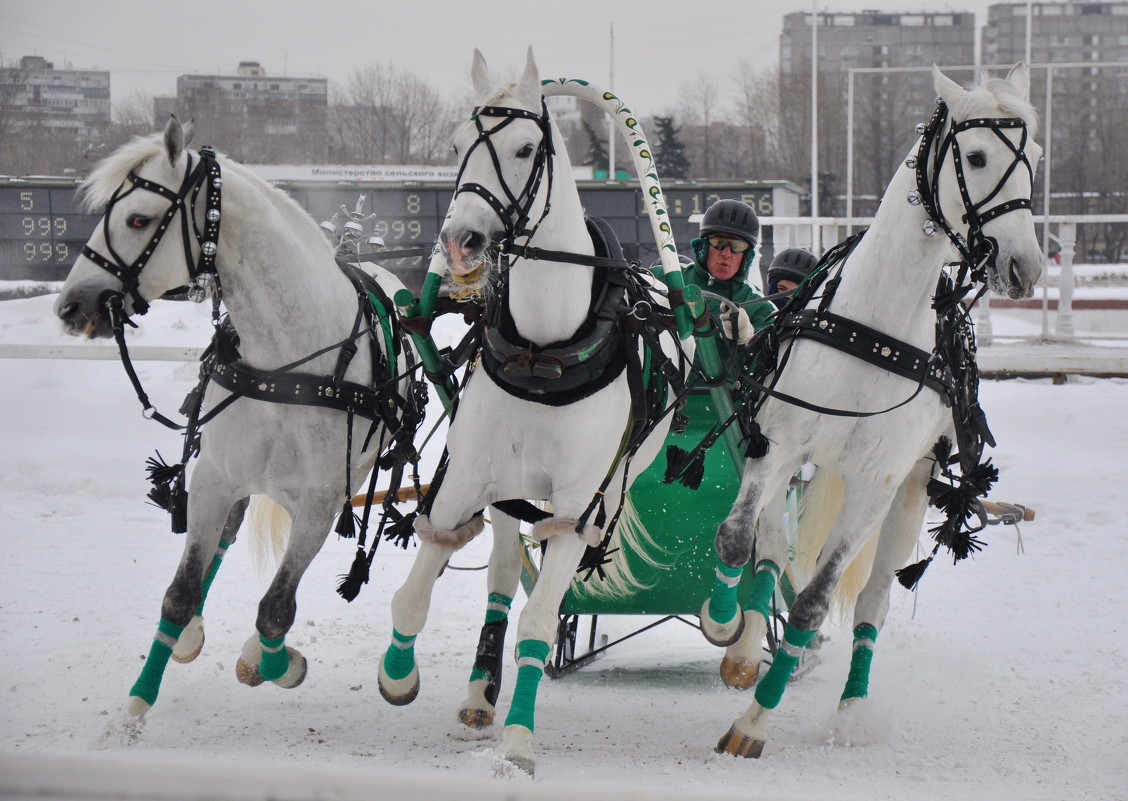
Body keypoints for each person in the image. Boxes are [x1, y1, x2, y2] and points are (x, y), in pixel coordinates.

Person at [682, 199, 774, 348]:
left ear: (747, 256)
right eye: (719, 242)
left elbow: (772, 361)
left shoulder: (762, 308)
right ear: (704, 246)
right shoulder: (666, 277)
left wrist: (749, 337)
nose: (726, 253)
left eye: (737, 246)